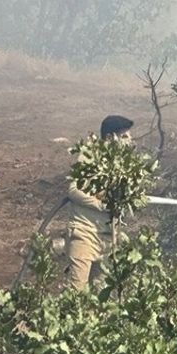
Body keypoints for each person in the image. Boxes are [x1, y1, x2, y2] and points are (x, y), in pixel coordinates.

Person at [64, 115, 134, 289]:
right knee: (76, 293)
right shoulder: (90, 156)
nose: (130, 141)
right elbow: (74, 190)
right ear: (110, 137)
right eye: (124, 136)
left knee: (102, 294)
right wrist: (102, 205)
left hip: (108, 238)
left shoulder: (122, 166)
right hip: (84, 233)